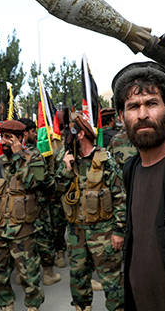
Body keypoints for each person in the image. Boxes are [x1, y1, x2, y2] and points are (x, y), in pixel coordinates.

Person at [111, 62, 165, 310]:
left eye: (151, 103)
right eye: (133, 106)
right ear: (122, 118)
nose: (142, 114)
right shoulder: (130, 169)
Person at [54, 112, 125, 311]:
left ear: (82, 135)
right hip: (76, 232)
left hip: (102, 231)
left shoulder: (105, 160)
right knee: (78, 280)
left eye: (71, 133)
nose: (67, 138)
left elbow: (120, 197)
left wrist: (119, 231)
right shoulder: (66, 160)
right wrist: (66, 169)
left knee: (112, 281)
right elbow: (55, 192)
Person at [0, 120, 53, 311]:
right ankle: (6, 305)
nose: (4, 142)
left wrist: (18, 157)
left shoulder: (34, 159)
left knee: (29, 276)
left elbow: (37, 184)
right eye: (2, 137)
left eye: (9, 138)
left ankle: (33, 307)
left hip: (23, 230)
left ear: (21, 138)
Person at [17, 117, 62, 286]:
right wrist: (54, 186)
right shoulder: (33, 154)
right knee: (44, 237)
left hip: (19, 206)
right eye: (33, 131)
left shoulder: (7, 155)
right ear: (25, 133)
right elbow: (42, 181)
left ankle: (20, 275)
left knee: (22, 239)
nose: (35, 134)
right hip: (38, 203)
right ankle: (48, 273)